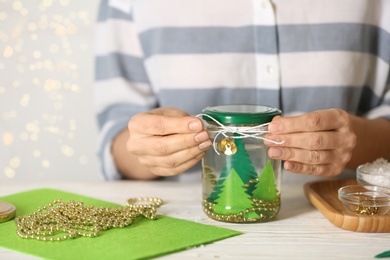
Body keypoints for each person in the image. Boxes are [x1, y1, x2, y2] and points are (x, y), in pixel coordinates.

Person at [94, 0, 390, 181]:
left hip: (340, 218)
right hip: (184, 220)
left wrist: (354, 140)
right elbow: (117, 137)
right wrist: (150, 148)